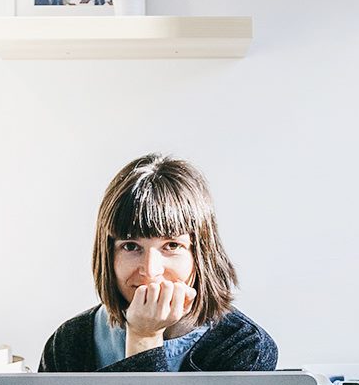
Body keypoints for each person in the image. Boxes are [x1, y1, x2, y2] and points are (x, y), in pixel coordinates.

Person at [40, 154, 278, 373]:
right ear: (108, 255)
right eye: (131, 246)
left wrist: (144, 337)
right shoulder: (69, 342)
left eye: (172, 246)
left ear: (200, 254)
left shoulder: (245, 346)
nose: (151, 271)